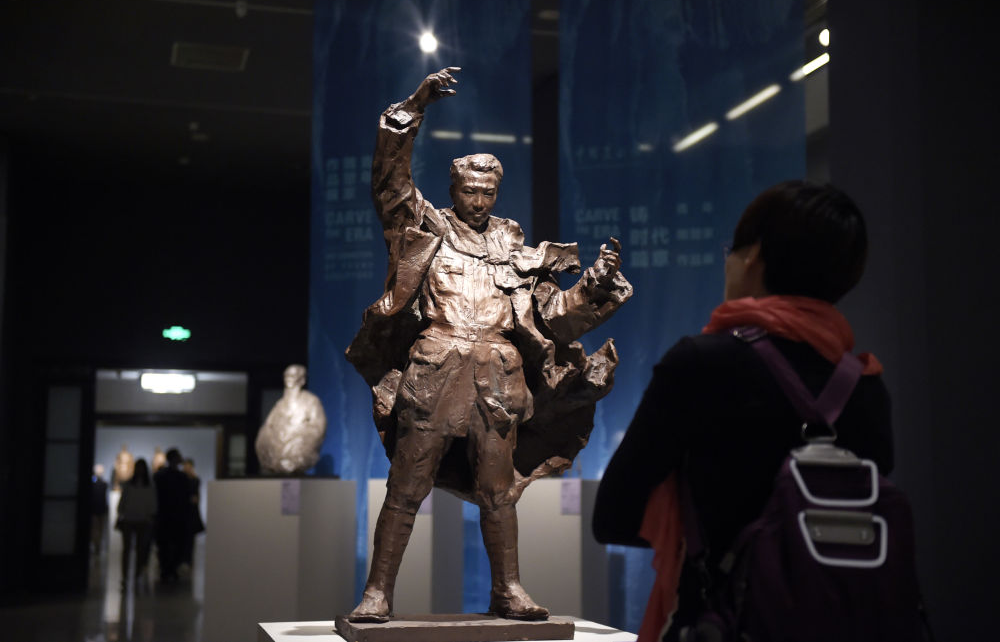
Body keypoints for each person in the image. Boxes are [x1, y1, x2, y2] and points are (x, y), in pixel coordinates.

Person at [346, 67, 632, 622]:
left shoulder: (515, 251)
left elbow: (552, 316)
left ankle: (508, 589)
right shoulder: (426, 230)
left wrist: (594, 286)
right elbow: (391, 182)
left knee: (499, 492)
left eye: (487, 192)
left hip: (498, 379)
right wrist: (414, 107)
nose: (478, 200)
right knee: (407, 486)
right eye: (469, 191)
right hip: (435, 371)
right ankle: (377, 592)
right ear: (453, 190)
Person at [592, 181, 892, 641]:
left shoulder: (701, 363)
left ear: (753, 255)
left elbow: (614, 516)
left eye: (731, 250)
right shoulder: (866, 384)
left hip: (725, 623)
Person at [255, 364, 328, 474]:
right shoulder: (279, 404)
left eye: (293, 376)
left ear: (302, 380)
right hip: (277, 450)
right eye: (287, 375)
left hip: (298, 448)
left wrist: (298, 436)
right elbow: (267, 427)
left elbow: (319, 428)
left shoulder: (311, 401)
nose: (289, 379)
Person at [117, 458, 156, 590]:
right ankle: (126, 576)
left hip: (142, 520)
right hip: (130, 520)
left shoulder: (148, 486)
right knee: (128, 550)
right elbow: (123, 502)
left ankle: (136, 575)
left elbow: (152, 504)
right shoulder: (130, 485)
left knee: (140, 550)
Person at [153, 448, 191, 583]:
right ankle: (169, 569)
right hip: (170, 516)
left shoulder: (162, 476)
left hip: (168, 516)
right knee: (169, 545)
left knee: (169, 545)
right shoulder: (179, 477)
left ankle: (168, 569)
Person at [180, 458, 205, 568]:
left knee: (189, 539)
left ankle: (187, 560)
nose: (186, 468)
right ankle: (183, 560)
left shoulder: (195, 480)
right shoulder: (183, 479)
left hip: (190, 512)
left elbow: (197, 497)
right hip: (183, 512)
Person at [90, 464, 109, 556]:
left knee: (97, 530)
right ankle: (97, 546)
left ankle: (97, 546)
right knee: (97, 530)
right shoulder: (103, 484)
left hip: (98, 509)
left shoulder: (103, 484)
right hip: (98, 509)